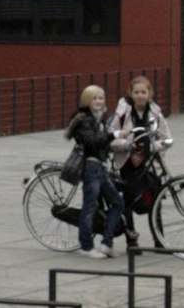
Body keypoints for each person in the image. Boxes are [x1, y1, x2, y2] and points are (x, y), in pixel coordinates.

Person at [66, 83, 128, 259]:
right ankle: (86, 246)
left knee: (118, 203)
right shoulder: (82, 119)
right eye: (95, 98)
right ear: (87, 100)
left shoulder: (99, 118)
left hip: (100, 167)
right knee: (90, 207)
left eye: (101, 98)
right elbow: (92, 142)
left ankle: (106, 243)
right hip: (90, 167)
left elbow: (104, 143)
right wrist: (113, 135)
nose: (99, 101)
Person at [110, 74, 173, 227]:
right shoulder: (123, 113)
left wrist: (151, 147)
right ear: (130, 93)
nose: (140, 96)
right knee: (129, 198)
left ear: (149, 94)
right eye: (136, 92)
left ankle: (159, 239)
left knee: (155, 198)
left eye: (143, 92)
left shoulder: (155, 113)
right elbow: (111, 137)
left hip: (149, 164)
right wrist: (127, 144)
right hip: (127, 163)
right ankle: (131, 239)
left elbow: (166, 139)